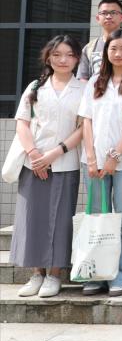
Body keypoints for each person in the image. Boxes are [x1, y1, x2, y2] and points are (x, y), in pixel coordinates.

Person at [12, 36, 85, 298]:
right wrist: (34, 154)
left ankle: (54, 275)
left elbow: (82, 128)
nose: (62, 60)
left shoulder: (83, 89)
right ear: (48, 57)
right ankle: (36, 274)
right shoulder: (35, 87)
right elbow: (22, 122)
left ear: (77, 59)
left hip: (64, 162)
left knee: (60, 219)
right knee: (33, 218)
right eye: (57, 55)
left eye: (69, 55)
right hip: (33, 163)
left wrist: (54, 154)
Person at [79, 29, 122, 297]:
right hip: (93, 162)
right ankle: (96, 273)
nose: (118, 53)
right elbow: (86, 121)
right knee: (97, 216)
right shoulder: (95, 82)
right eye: (113, 49)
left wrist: (114, 157)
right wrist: (92, 157)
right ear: (106, 53)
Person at [78, 0, 122, 81]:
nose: (109, 16)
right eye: (104, 13)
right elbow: (82, 78)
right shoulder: (89, 48)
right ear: (97, 18)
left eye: (113, 13)